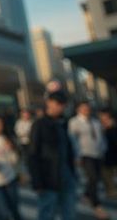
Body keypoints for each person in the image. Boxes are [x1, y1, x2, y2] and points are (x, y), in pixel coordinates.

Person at [28, 91, 77, 220]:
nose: (60, 107)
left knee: (70, 212)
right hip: (48, 177)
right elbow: (33, 154)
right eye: (58, 103)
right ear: (49, 102)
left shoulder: (63, 123)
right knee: (47, 213)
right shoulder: (39, 124)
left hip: (67, 175)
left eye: (63, 104)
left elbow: (68, 150)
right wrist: (37, 181)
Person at [68, 101, 108, 219]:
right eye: (84, 108)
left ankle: (86, 194)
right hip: (85, 154)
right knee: (93, 177)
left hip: (98, 154)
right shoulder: (74, 122)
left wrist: (103, 148)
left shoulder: (95, 121)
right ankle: (96, 205)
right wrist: (76, 156)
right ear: (78, 109)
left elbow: (101, 137)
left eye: (88, 108)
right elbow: (72, 140)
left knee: (96, 177)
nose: (86, 110)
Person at [99, 109, 117, 198]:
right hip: (104, 155)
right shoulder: (99, 127)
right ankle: (110, 191)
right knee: (106, 175)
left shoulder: (113, 128)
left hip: (113, 154)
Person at [14, 109, 33, 181]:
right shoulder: (19, 123)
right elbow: (19, 133)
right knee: (24, 158)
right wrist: (26, 133)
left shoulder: (31, 122)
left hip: (31, 143)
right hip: (23, 143)